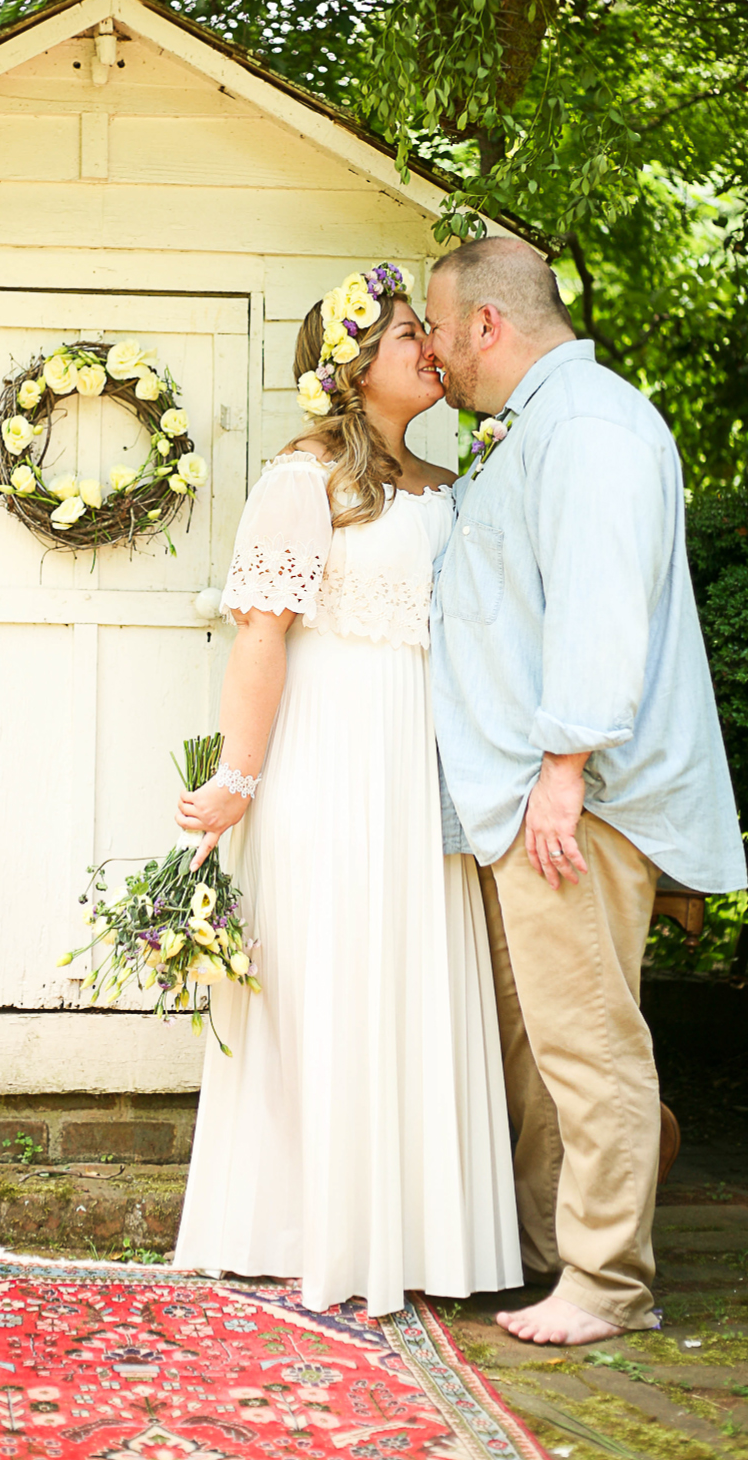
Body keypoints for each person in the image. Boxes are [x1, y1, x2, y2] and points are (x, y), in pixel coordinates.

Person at [169, 264, 522, 1315]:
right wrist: (238, 776)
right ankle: (309, 1224)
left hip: (421, 763)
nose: (434, 349)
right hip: (327, 759)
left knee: (413, 971)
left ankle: (418, 1234)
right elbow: (260, 637)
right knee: (332, 975)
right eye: (412, 334)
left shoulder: (446, 483)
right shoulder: (303, 479)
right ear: (355, 367)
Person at [424, 236, 748, 1347]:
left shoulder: (593, 426)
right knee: (536, 1045)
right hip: (523, 792)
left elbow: (602, 611)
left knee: (586, 1040)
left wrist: (563, 770)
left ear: (487, 326)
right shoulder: (535, 428)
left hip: (575, 795)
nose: (431, 350)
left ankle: (609, 1284)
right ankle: (553, 1248)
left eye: (438, 326)